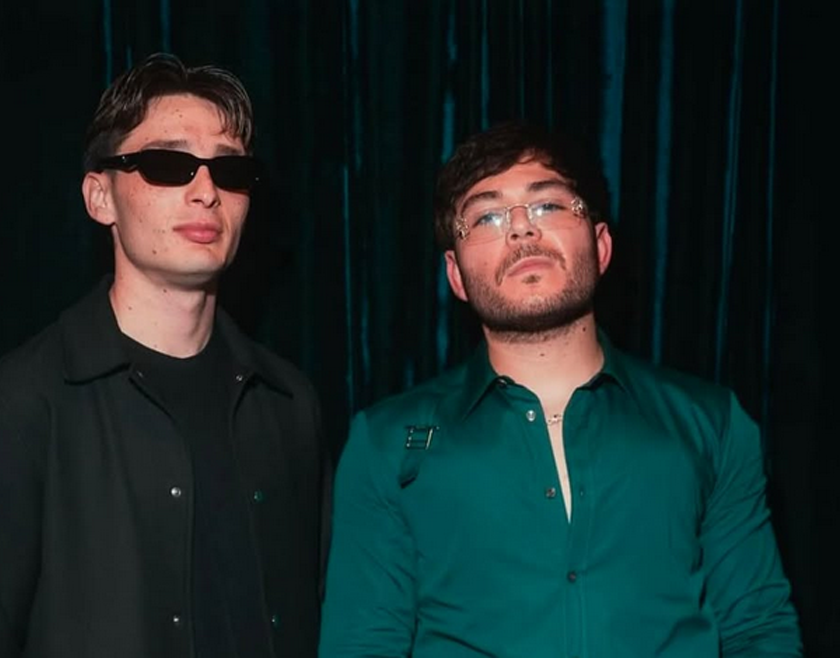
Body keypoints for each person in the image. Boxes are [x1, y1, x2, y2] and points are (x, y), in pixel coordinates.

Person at [319, 121, 801, 657]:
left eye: (548, 205)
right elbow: (362, 645)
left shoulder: (712, 423)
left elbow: (760, 633)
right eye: (487, 217)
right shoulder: (386, 444)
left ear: (600, 244)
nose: (521, 230)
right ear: (455, 274)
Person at [0, 53, 329, 658]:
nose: (205, 192)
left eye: (230, 170)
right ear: (101, 198)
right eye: (167, 165)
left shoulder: (289, 404)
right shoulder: (12, 408)